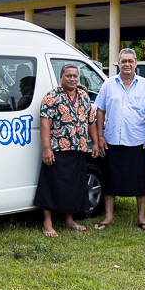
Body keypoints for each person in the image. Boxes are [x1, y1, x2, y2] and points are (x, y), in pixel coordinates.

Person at [94, 48, 145, 231]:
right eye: (124, 61)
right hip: (112, 140)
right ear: (118, 63)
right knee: (110, 179)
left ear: (136, 63)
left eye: (130, 61)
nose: (127, 64)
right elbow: (100, 110)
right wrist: (99, 137)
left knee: (141, 180)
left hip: (139, 142)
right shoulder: (108, 84)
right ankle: (109, 216)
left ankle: (141, 217)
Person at [35, 64, 100, 237]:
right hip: (57, 149)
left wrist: (95, 143)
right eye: (68, 75)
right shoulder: (51, 97)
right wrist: (46, 149)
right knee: (51, 185)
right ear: (61, 76)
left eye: (75, 76)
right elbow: (44, 125)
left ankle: (68, 219)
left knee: (73, 186)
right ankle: (47, 222)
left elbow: (91, 121)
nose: (72, 79)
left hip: (78, 148)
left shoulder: (84, 96)